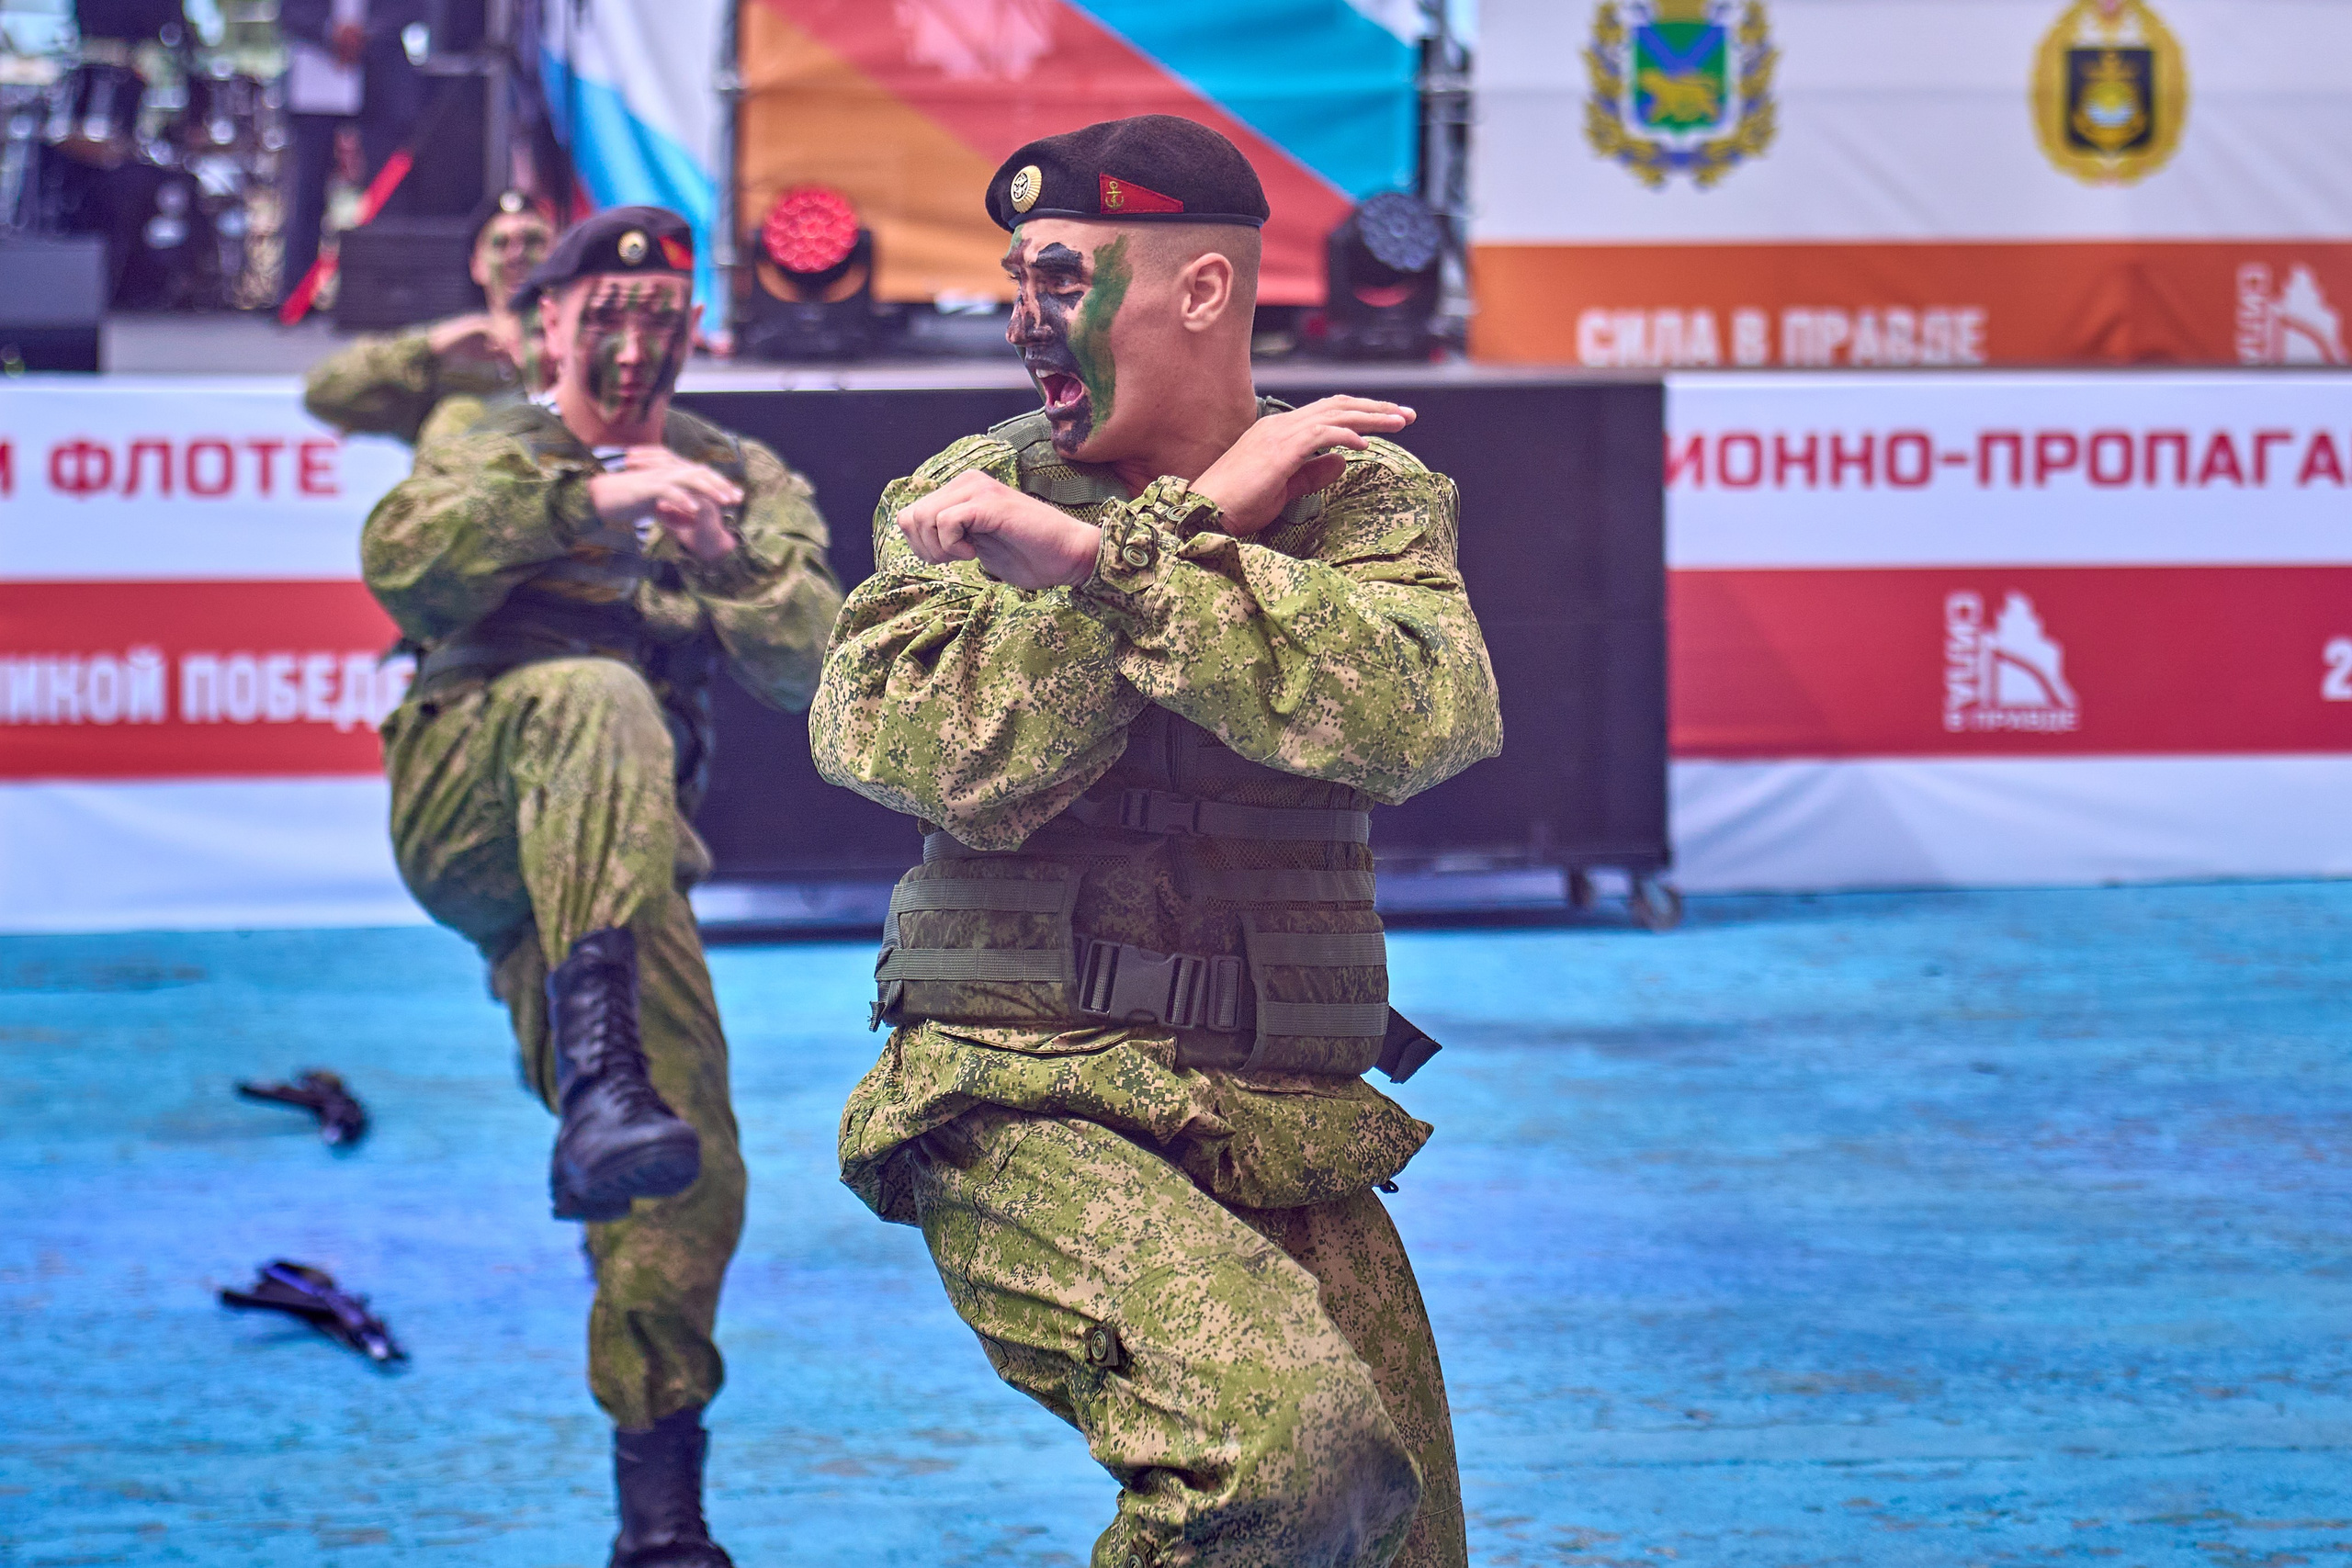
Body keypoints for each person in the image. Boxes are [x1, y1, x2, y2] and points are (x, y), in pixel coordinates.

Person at [809, 116, 1503, 1568]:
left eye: (1062, 278)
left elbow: (1421, 716)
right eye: (1017, 280)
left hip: (1282, 1111)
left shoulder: (1361, 494)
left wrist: (1110, 563)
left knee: (1386, 1531)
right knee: (1294, 1460)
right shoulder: (965, 497)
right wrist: (1168, 537)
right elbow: (933, 752)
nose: (1024, 317)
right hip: (1020, 1087)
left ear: (1201, 289)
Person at [362, 206, 843, 1567]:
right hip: (468, 808)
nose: (635, 346)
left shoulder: (737, 473)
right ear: (552, 322)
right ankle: (604, 1079)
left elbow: (821, 670)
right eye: (606, 318)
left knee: (684, 1162)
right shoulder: (492, 438)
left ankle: (661, 1514)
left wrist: (727, 558)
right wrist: (585, 502)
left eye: (663, 319)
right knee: (594, 693)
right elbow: (402, 565)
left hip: (614, 873)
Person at [304, 189, 558, 447]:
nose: (517, 255)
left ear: (557, 256)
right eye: (500, 244)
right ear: (477, 265)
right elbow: (324, 394)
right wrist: (429, 346)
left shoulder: (572, 348)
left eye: (533, 241)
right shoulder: (450, 358)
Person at [276, 0, 425, 307]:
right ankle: (298, 296)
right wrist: (330, 32)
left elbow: (413, 8)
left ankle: (383, 294)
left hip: (382, 73)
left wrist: (365, 33)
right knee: (308, 189)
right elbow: (289, 12)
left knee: (386, 191)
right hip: (317, 70)